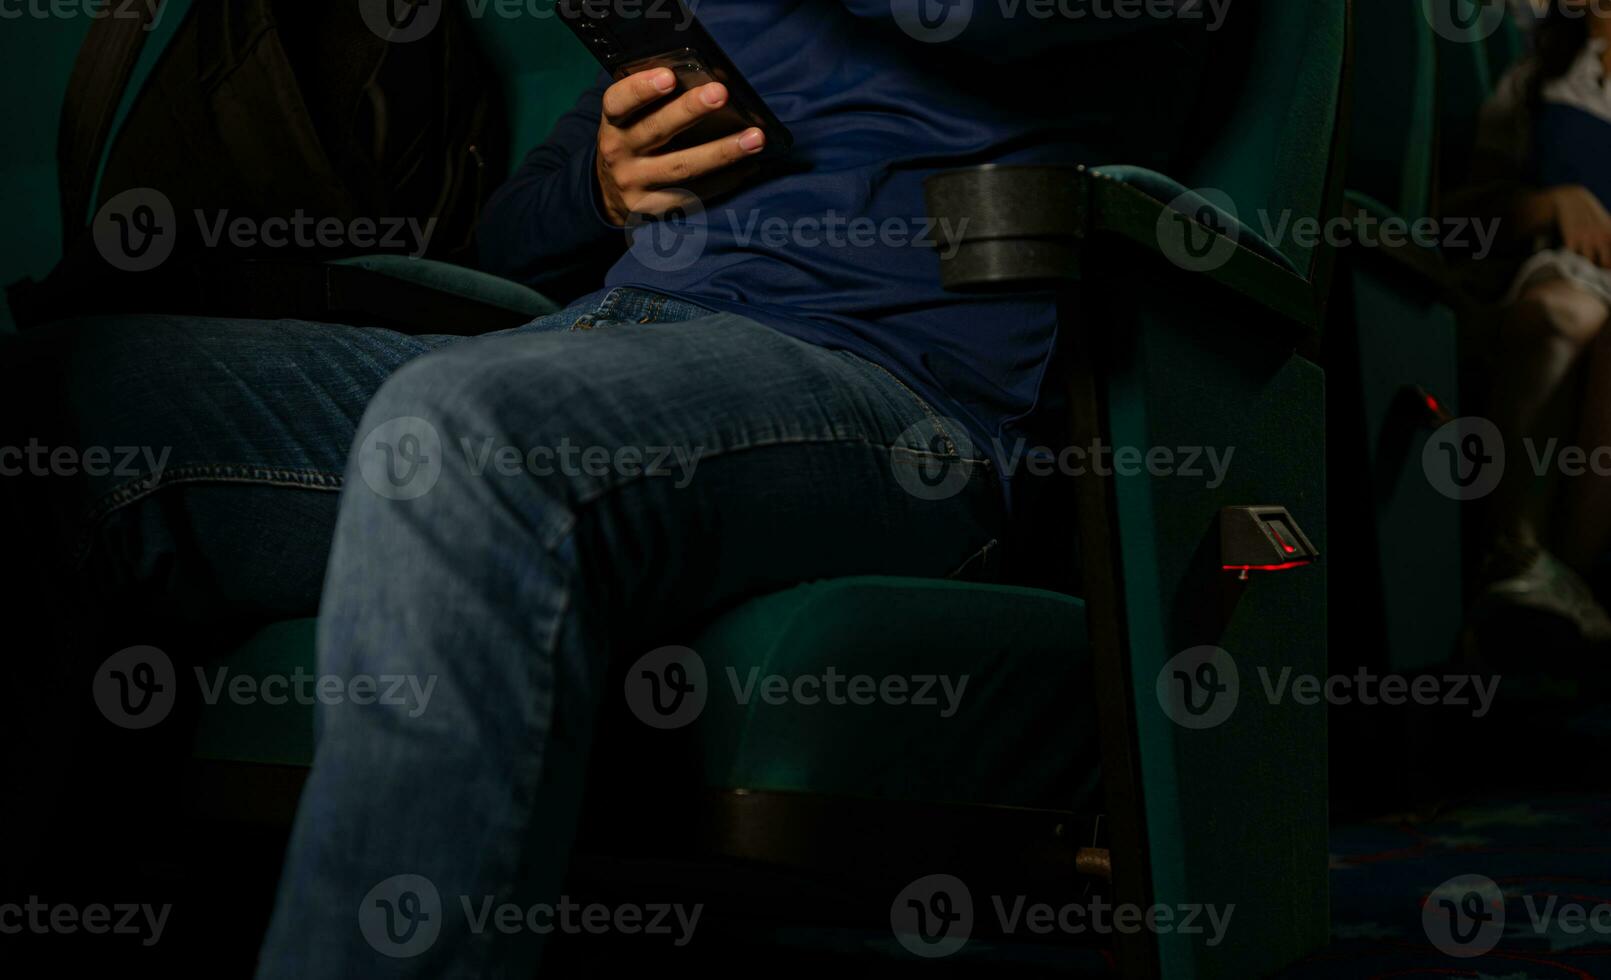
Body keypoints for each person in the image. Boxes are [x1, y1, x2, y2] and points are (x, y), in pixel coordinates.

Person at [7, 2, 1234, 974]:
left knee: (472, 429)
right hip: (604, 349)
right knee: (60, 397)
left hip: (897, 392)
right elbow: (505, 244)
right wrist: (600, 183)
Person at [1465, 0, 1611, 641]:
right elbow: (1461, 211)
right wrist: (1550, 203)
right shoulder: (1533, 82)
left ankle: (1578, 580)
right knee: (1564, 314)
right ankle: (1521, 552)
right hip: (1557, 270)